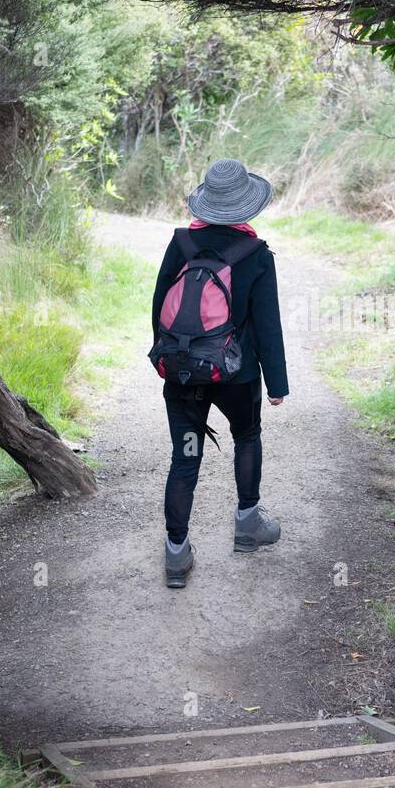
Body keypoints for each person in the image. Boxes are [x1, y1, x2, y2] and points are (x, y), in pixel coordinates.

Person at [150, 158, 288, 588]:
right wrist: (276, 384)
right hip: (236, 374)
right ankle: (247, 523)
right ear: (246, 207)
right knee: (246, 437)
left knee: (185, 456)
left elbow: (159, 308)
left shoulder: (182, 244)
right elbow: (268, 325)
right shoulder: (256, 254)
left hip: (184, 373)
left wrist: (171, 360)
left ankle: (176, 552)